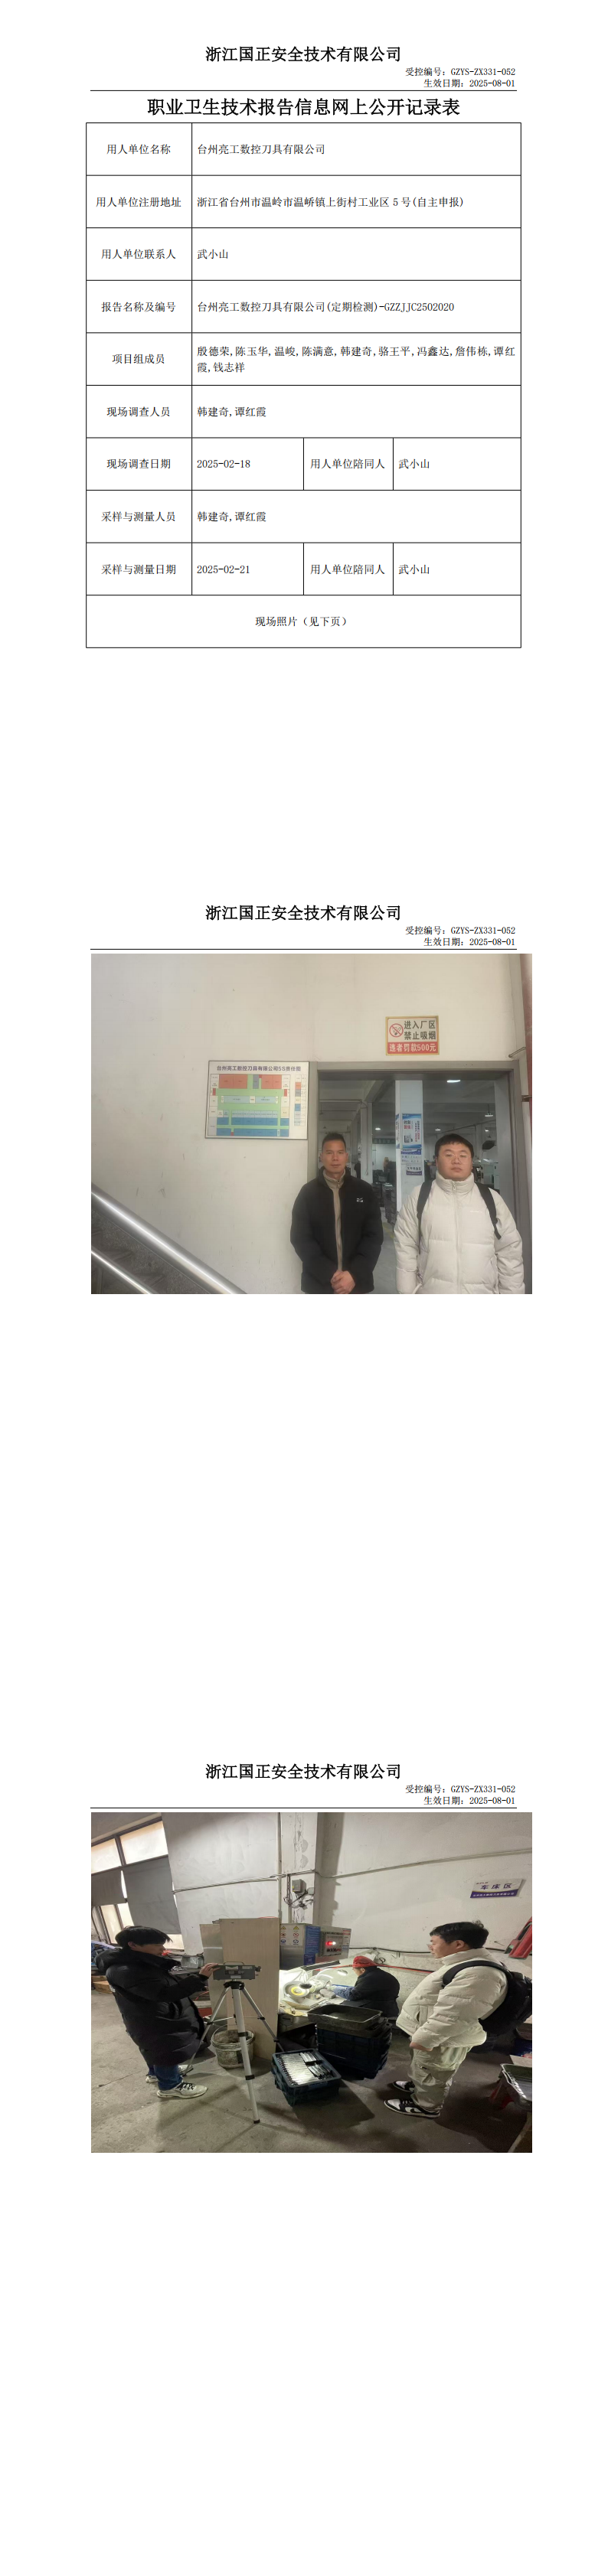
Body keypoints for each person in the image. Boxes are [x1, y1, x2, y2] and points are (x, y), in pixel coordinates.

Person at [394, 1922, 508, 2118]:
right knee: (424, 2067)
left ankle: (427, 2106)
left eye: (434, 1942)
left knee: (434, 2072)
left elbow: (455, 2015)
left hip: (443, 2038)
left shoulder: (480, 1973)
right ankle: (418, 2087)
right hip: (433, 2034)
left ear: (458, 1944)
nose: (431, 1947)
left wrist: (425, 2039)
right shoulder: (466, 1964)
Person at [394, 1132, 525, 1293]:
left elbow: (509, 1251)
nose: (456, 1160)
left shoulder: (491, 1198)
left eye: (463, 1156)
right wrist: (406, 1293)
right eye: (449, 1155)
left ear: (471, 1162)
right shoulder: (420, 1196)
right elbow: (406, 1247)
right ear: (437, 1161)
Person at [106, 1925, 213, 2102]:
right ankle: (170, 2086)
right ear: (133, 1945)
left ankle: (157, 2073)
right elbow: (163, 1994)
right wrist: (200, 1979)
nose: (162, 1949)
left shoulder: (136, 1963)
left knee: (154, 2047)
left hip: (150, 2015)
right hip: (153, 2018)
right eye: (157, 1945)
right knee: (165, 2049)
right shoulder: (129, 1970)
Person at [290, 1132, 384, 1293]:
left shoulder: (364, 1191)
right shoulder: (308, 1193)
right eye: (329, 1153)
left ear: (346, 1156)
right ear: (321, 1157)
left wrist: (354, 1275)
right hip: (319, 1284)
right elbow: (301, 1238)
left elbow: (373, 1237)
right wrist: (330, 1274)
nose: (335, 1158)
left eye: (340, 1152)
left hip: (357, 1283)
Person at [348, 1955, 400, 2019]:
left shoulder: (368, 1978)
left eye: (354, 1970)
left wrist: (337, 1990)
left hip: (380, 2012)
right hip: (391, 2009)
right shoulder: (382, 1974)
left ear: (362, 1969)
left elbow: (352, 1996)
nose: (355, 1972)